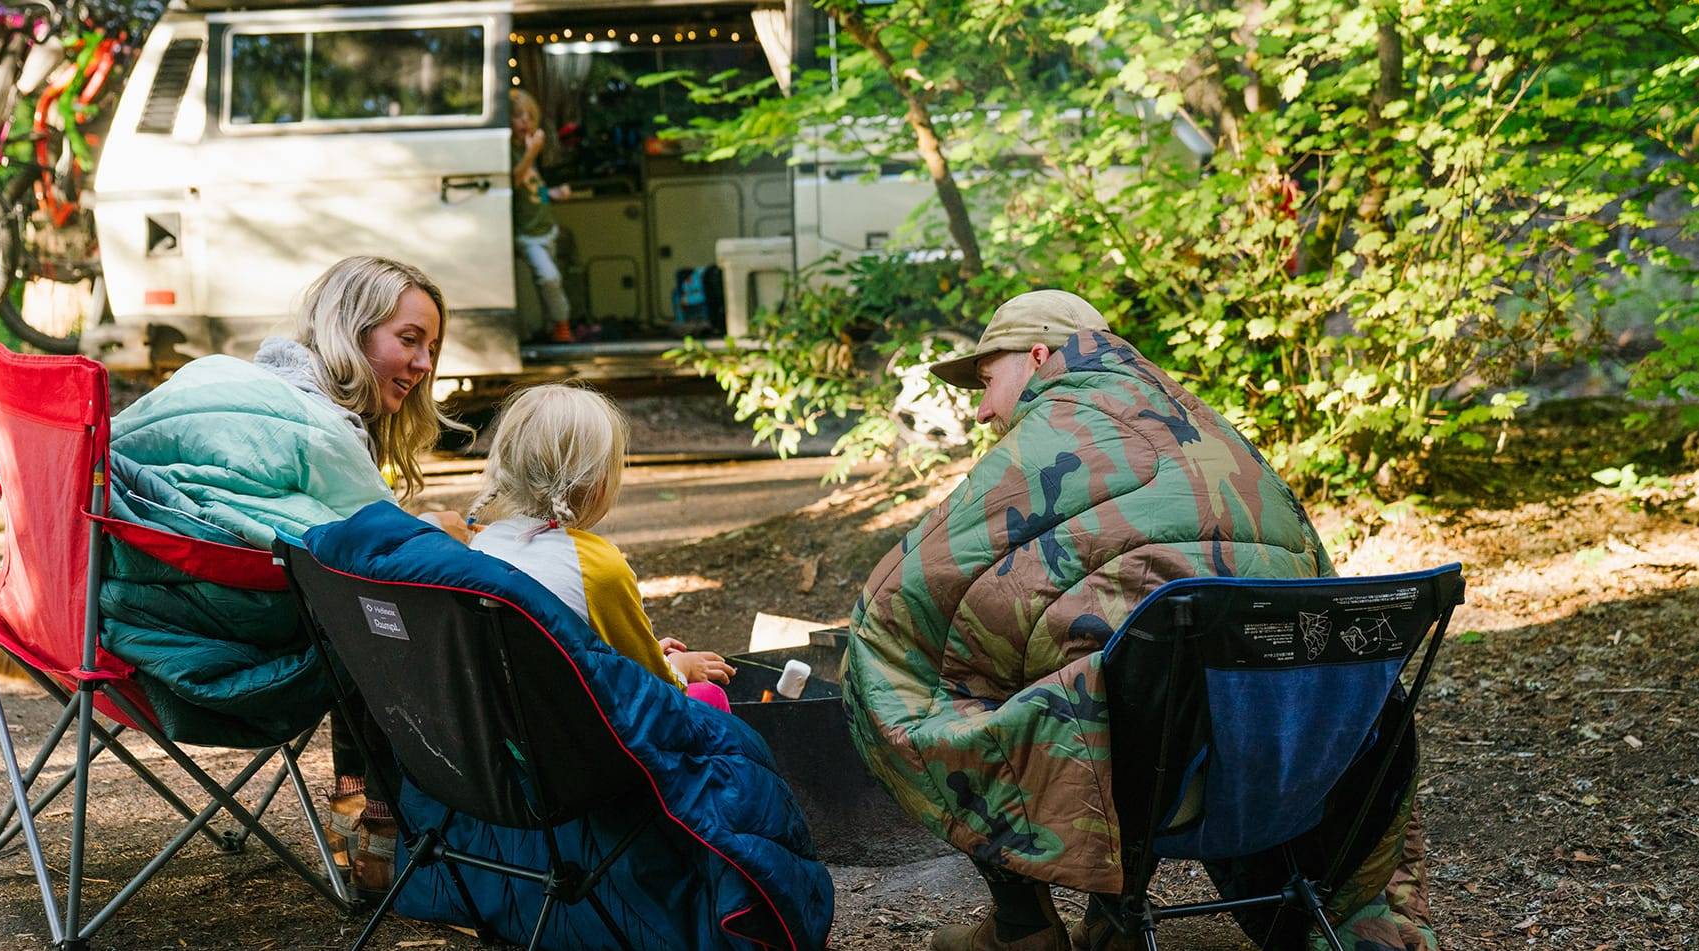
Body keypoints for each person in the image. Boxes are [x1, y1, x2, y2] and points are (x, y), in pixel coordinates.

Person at [841, 290, 1431, 951]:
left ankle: (1022, 927)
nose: (982, 410)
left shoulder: (1048, 438)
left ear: (1038, 356)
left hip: (1149, 786)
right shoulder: (1214, 431)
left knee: (927, 670)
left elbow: (899, 605)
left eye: (986, 380)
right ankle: (1119, 915)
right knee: (1127, 657)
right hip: (1297, 772)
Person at [103, 255, 471, 898]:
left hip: (97, 612)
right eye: (408, 340)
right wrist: (444, 534)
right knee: (389, 610)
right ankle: (386, 833)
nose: (423, 365)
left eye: (431, 348)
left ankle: (358, 817)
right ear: (351, 332)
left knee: (361, 589)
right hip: (207, 633)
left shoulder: (220, 377)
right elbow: (373, 557)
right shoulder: (322, 430)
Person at [463, 384, 735, 706]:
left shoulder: (480, 544)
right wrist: (678, 667)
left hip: (513, 725)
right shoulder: (596, 565)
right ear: (598, 482)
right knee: (710, 696)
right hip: (589, 737)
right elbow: (653, 683)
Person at [510, 88, 575, 345]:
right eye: (518, 116)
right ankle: (562, 325)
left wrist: (554, 193)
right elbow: (512, 181)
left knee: (548, 281)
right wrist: (531, 153)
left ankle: (553, 325)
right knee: (549, 277)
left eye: (530, 116)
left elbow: (534, 189)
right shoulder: (516, 151)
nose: (525, 121)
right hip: (526, 233)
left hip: (545, 228)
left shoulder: (530, 149)